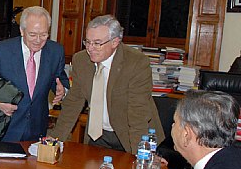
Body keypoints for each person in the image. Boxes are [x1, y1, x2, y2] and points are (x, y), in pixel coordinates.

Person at [50, 14, 164, 153]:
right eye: (87, 42)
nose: (90, 48)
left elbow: (138, 114)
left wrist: (141, 157)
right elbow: (74, 102)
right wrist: (54, 142)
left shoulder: (136, 63)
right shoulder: (81, 60)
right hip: (97, 135)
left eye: (97, 43)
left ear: (115, 42)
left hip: (129, 136)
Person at [0, 6, 69, 141]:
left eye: (44, 35)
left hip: (37, 130)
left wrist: (62, 90)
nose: (38, 40)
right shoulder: (2, 50)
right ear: (22, 31)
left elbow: (61, 79)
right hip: (5, 129)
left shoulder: (56, 51)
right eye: (32, 34)